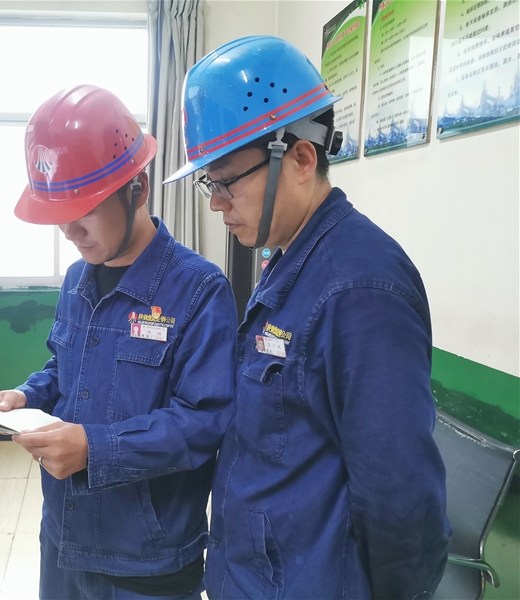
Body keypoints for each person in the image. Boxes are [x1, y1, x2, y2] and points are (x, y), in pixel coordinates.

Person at [165, 36, 451, 599]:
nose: (216, 201)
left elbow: (401, 497)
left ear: (299, 158)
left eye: (226, 179)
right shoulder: (290, 256)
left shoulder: (359, 288)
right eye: (208, 182)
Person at [0, 84, 238, 599]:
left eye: (85, 209)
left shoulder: (199, 290)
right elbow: (63, 367)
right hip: (64, 536)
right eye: (59, 213)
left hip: (146, 560)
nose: (70, 231)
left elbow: (204, 422)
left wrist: (94, 449)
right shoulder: (76, 280)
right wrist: (27, 395)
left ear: (137, 188)